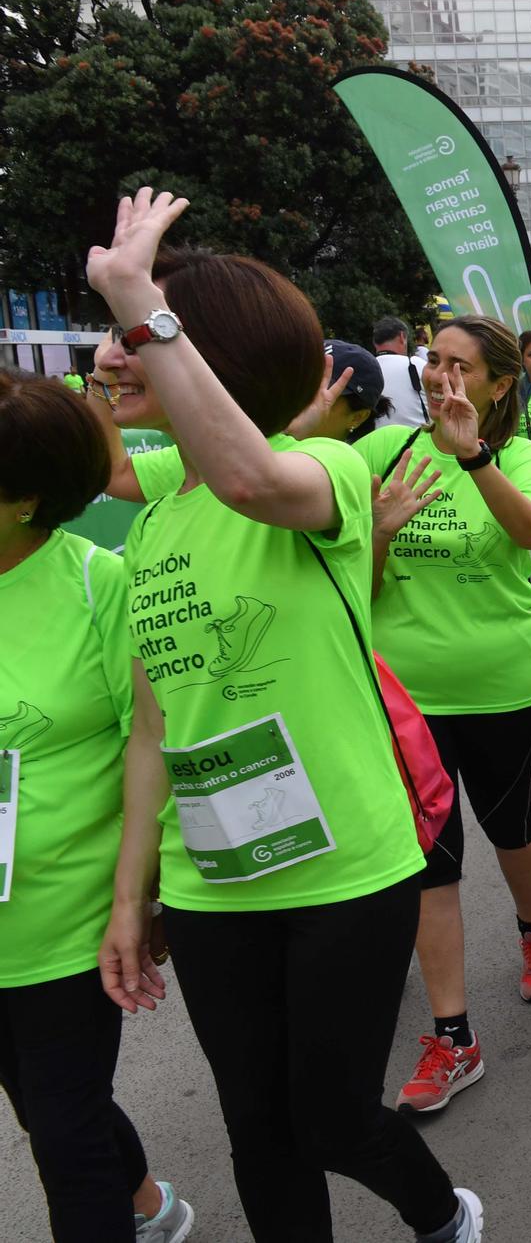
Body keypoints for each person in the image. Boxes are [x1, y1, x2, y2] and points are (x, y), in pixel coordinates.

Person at [89, 190, 481, 1241]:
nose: (113, 358)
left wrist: (142, 300)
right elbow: (150, 730)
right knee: (256, 1126)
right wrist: (132, 898)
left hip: (348, 868)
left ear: (200, 355)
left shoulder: (328, 473)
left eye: (135, 342)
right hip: (215, 883)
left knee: (335, 1117)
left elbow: (253, 472)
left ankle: (442, 1214)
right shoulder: (158, 524)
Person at [0, 370, 195, 1243]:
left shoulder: (100, 584)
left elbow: (148, 746)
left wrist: (138, 898)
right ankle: (150, 1204)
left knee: (67, 1135)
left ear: (23, 501)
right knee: (48, 1110)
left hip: (68, 922)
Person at [355, 318, 531, 1116]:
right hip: (408, 695)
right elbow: (359, 590)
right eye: (432, 362)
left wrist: (474, 456)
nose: (441, 377)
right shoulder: (386, 453)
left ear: (499, 383)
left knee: (510, 824)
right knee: (431, 856)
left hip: (503, 683)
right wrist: (377, 532)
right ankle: (454, 1035)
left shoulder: (517, 455)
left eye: (460, 366)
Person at [374, 316, 427, 429]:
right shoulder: (417, 364)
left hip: (375, 443)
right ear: (402, 337)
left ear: (374, 343)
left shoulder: (366, 368)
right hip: (416, 441)